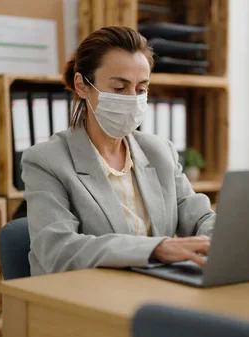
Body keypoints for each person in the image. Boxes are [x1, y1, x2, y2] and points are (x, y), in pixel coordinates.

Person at [22, 26, 216, 275]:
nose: (133, 99)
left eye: (141, 89)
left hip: (155, 290)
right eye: (119, 88)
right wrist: (155, 249)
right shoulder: (46, 161)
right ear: (82, 86)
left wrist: (221, 237)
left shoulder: (160, 151)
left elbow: (200, 218)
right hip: (86, 299)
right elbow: (59, 250)